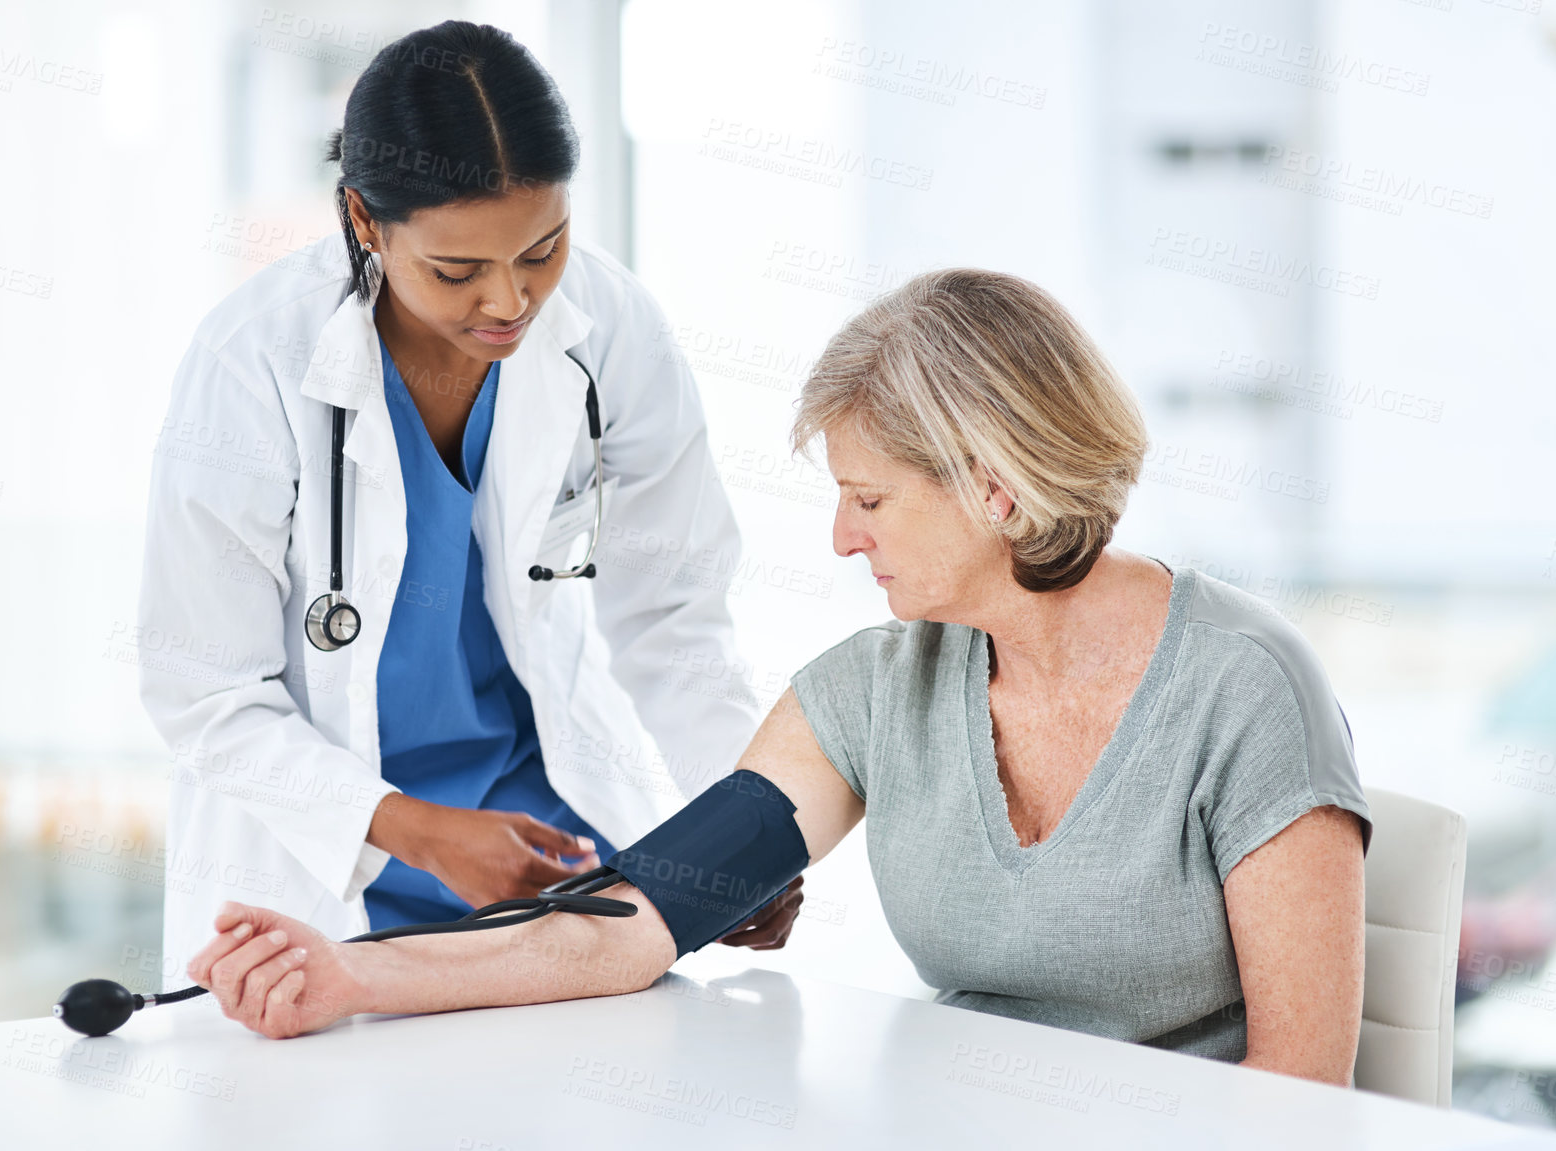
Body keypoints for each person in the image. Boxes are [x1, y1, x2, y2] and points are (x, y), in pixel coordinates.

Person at [182, 268, 1371, 1086]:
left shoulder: (1245, 688)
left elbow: (1299, 1096)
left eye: (870, 499)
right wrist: (347, 974)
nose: (844, 540)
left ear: (996, 485)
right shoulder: (867, 693)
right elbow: (628, 927)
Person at [138, 21, 802, 976]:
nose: (509, 302)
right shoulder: (251, 364)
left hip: (548, 850)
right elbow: (203, 690)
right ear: (365, 221)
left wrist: (745, 832)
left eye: (543, 249)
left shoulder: (609, 330)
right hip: (323, 867)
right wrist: (420, 829)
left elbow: (673, 614)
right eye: (456, 271)